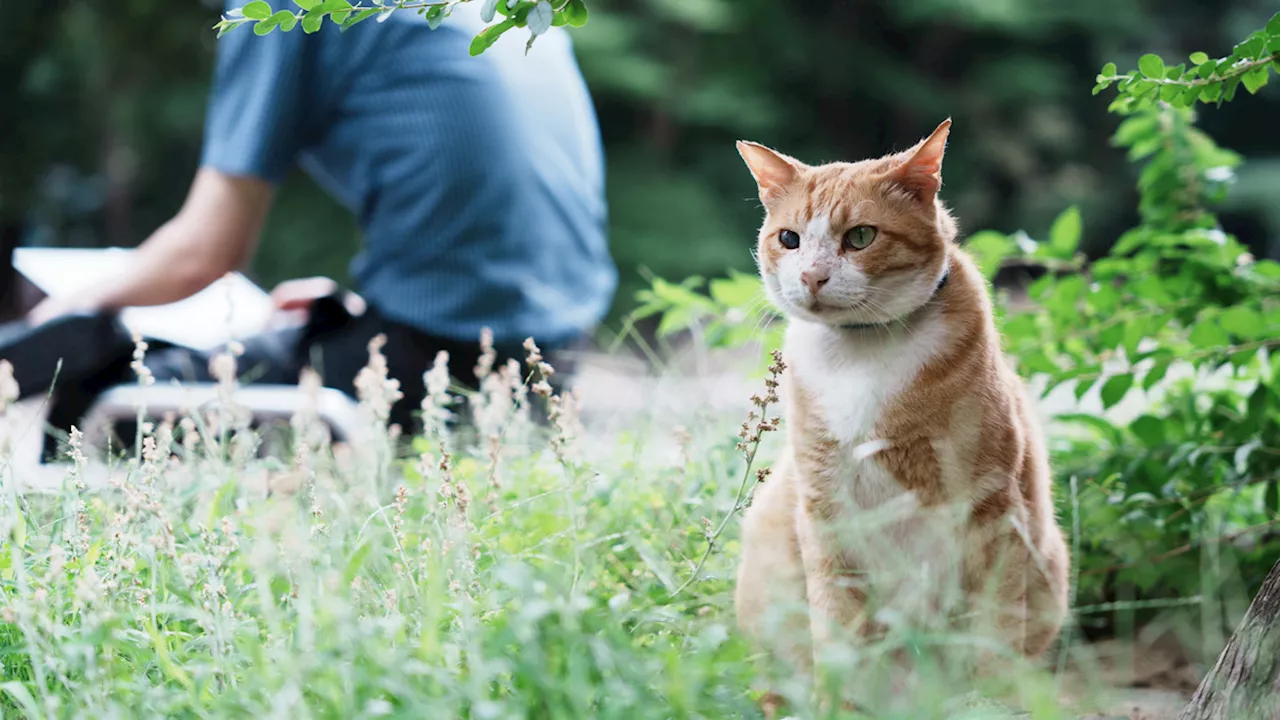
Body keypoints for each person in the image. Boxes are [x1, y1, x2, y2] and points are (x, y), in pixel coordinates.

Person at [25, 1, 616, 432]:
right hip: (554, 359)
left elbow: (205, 253)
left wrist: (63, 309)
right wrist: (353, 316)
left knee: (100, 394)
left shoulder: (278, 11)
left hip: (434, 362)